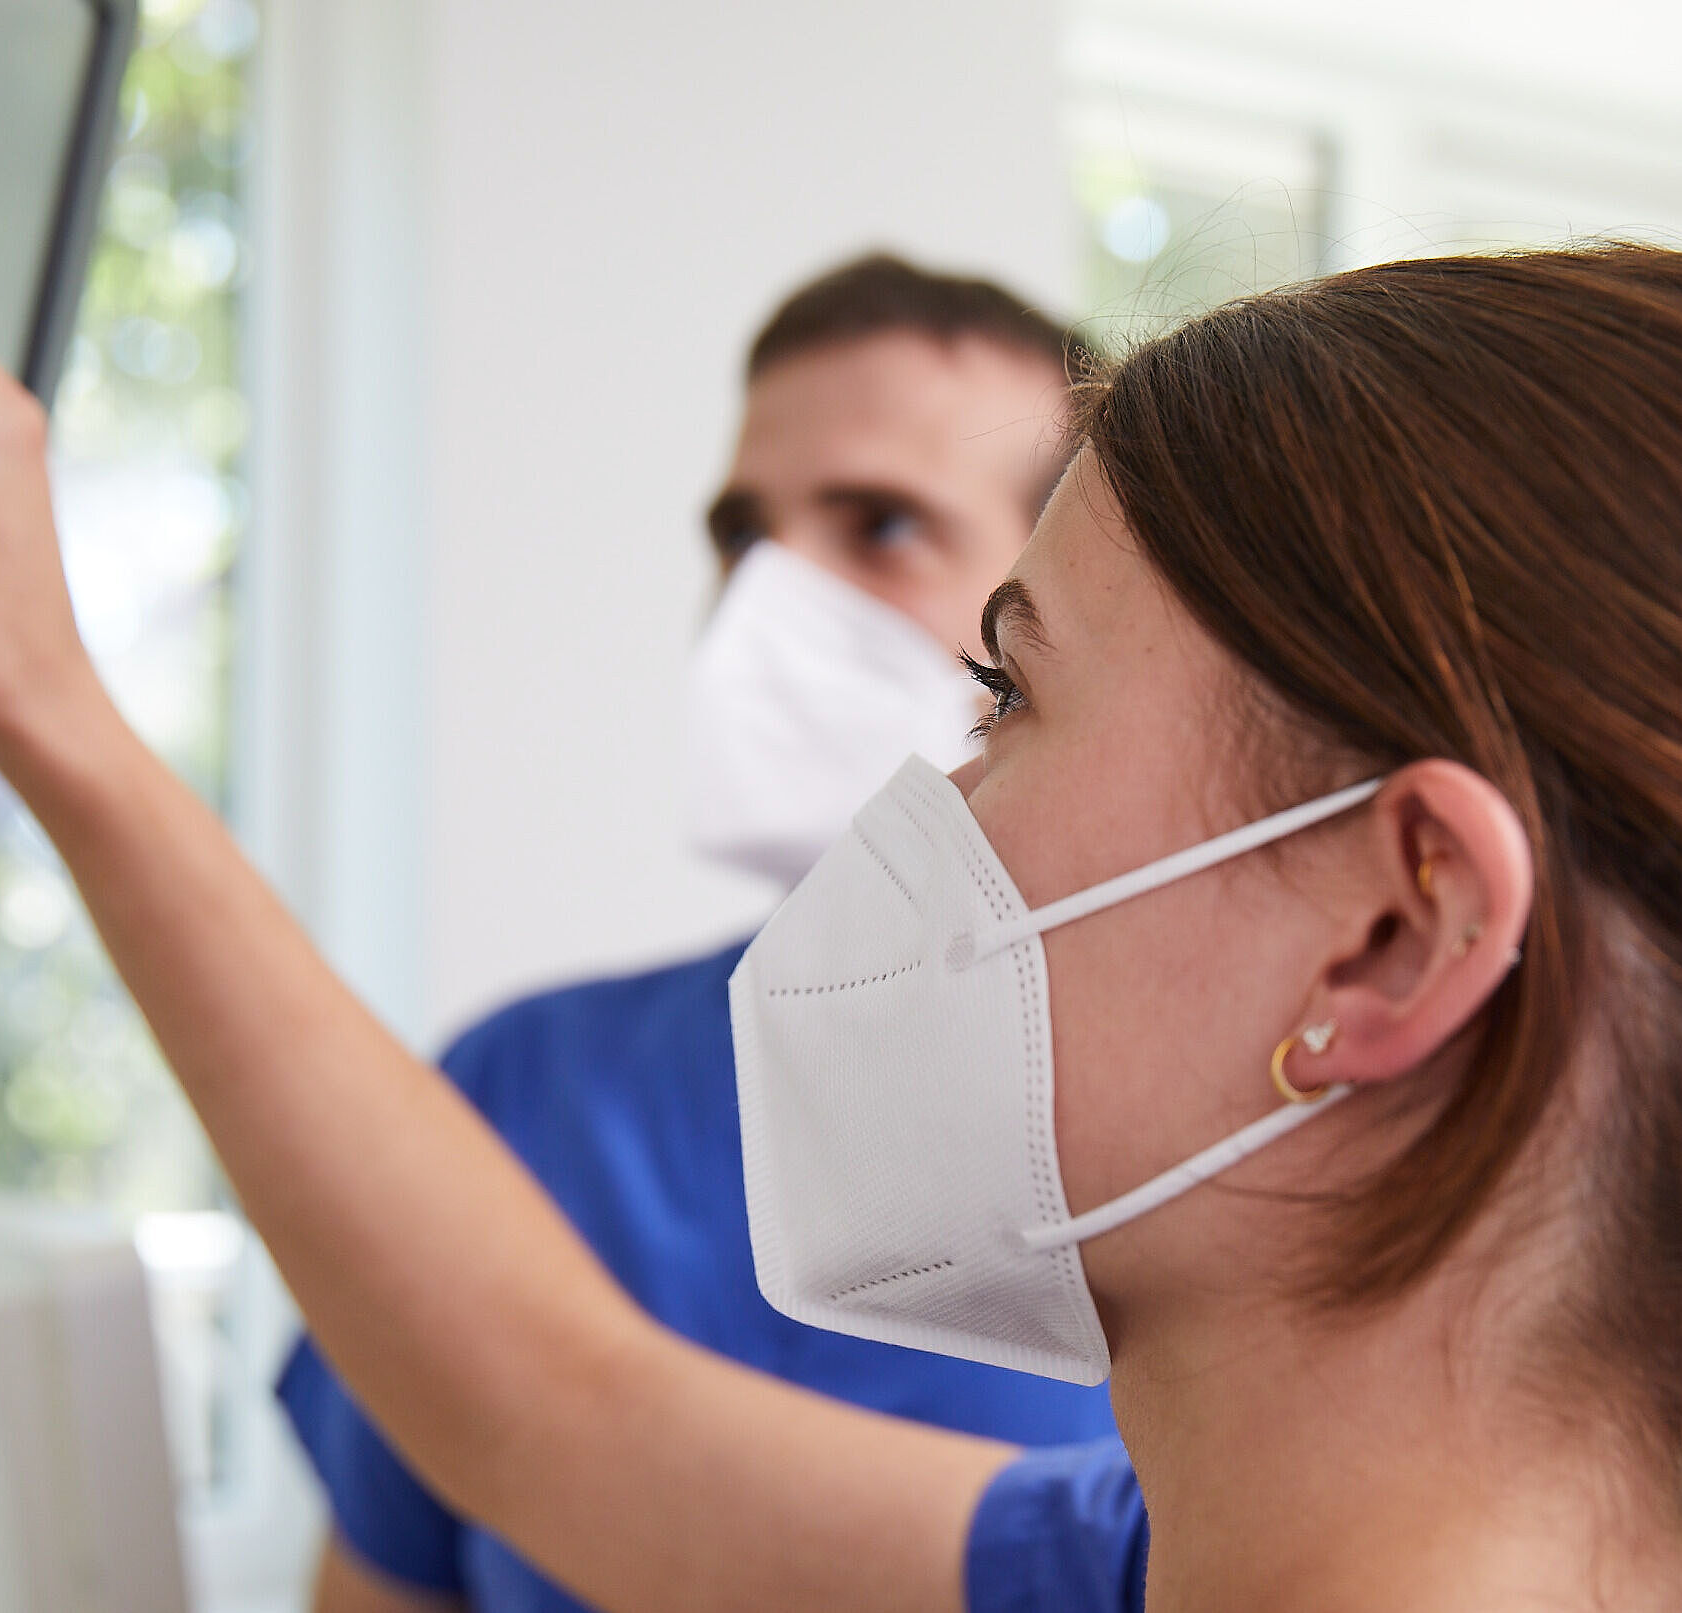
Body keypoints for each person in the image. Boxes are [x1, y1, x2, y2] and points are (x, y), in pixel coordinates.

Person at [0, 216, 1682, 1613]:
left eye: (1001, 698)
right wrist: (48, 712)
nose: (914, 810)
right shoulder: (1209, 1560)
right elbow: (562, 1414)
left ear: (1385, 938)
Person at [275, 254, 1119, 1613]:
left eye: (883, 527)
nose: (767, 604)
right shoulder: (530, 1091)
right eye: (742, 536)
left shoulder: (1186, 1135)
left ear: (1053, 601)